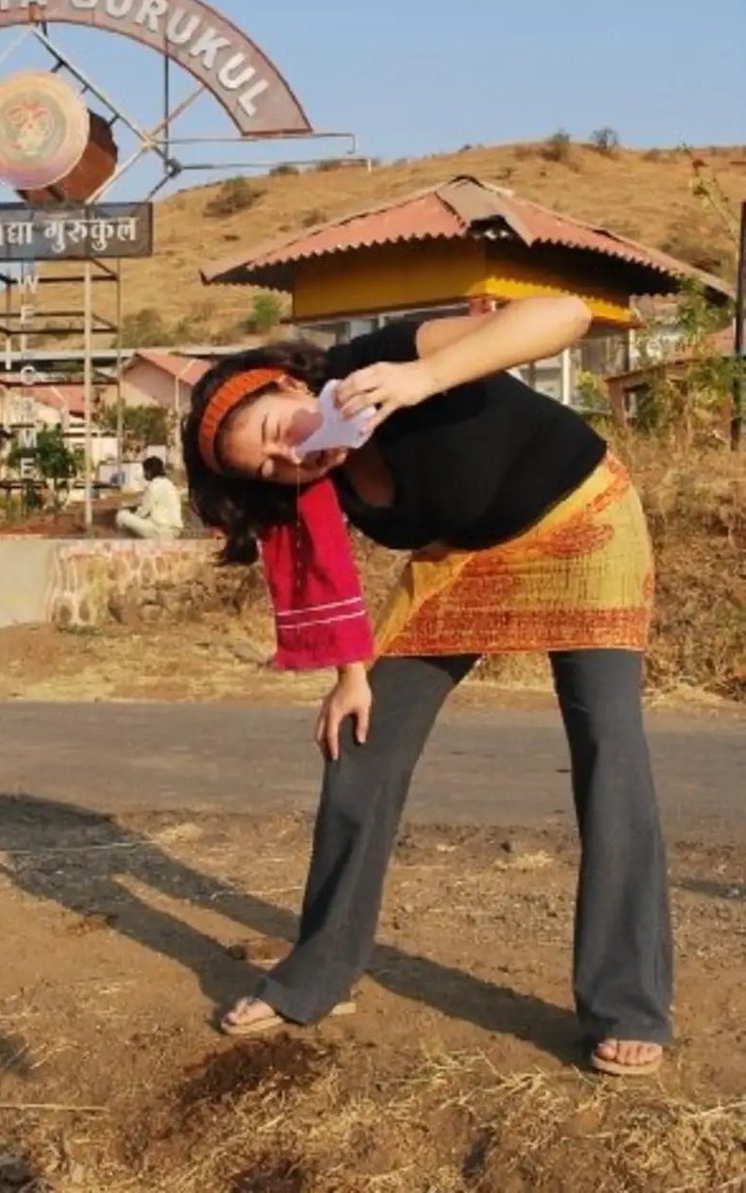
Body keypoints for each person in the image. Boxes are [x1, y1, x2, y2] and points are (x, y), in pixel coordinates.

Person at [182, 297, 671, 1078]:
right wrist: (350, 678)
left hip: (585, 522)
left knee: (609, 745)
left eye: (278, 433)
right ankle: (319, 971)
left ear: (289, 384)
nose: (289, 461)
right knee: (360, 743)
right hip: (463, 561)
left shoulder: (377, 360)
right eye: (267, 469)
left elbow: (565, 315)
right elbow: (326, 579)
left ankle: (628, 1003)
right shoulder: (312, 483)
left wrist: (423, 375)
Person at [116, 455, 184, 539]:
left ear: (149, 471)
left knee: (121, 516)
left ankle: (125, 546)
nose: (144, 474)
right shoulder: (169, 484)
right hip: (174, 530)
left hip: (161, 530)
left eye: (145, 471)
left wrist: (130, 515)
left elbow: (142, 512)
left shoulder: (153, 486)